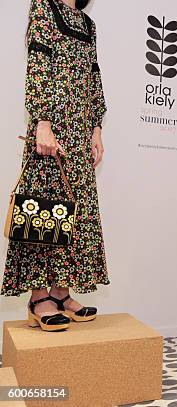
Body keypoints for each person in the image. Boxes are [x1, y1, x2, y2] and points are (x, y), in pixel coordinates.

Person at [2, 0, 108, 331]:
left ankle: (61, 293)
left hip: (79, 131)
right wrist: (42, 121)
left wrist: (96, 127)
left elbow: (94, 75)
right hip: (52, 128)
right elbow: (38, 64)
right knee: (44, 211)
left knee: (75, 211)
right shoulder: (43, 7)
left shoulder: (88, 24)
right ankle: (38, 298)